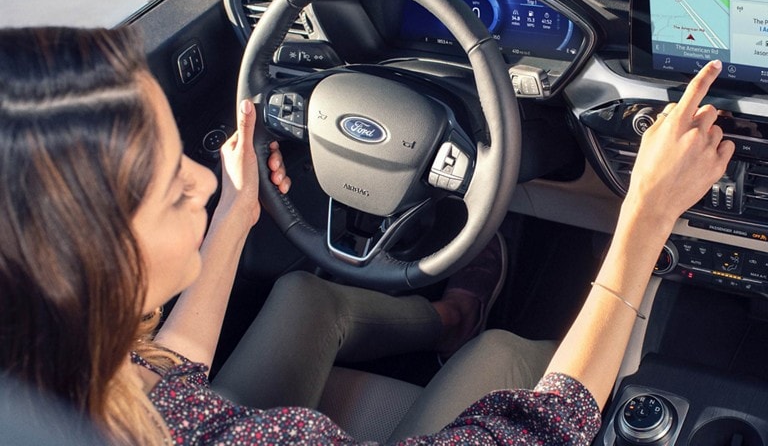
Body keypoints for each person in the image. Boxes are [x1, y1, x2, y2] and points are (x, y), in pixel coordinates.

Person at [0, 26, 733, 445]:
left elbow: (168, 372)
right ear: (83, 265)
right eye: (171, 189)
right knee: (504, 355)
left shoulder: (61, 367)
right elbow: (539, 427)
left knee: (302, 294)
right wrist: (647, 215)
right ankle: (477, 329)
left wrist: (234, 218)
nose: (201, 179)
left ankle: (450, 317)